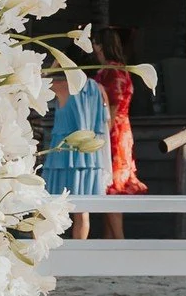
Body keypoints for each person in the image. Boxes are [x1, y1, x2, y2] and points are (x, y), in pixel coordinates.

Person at [43, 71, 111, 240]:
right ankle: (78, 254)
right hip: (88, 154)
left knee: (51, 206)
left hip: (63, 154)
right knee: (83, 211)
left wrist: (51, 67)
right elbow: (106, 123)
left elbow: (38, 82)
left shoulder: (63, 86)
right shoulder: (99, 88)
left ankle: (49, 251)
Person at [95, 28, 148, 241]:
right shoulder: (123, 70)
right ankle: (110, 240)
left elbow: (113, 104)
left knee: (112, 185)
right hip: (123, 128)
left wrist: (102, 136)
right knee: (112, 185)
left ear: (100, 45)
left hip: (113, 130)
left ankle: (119, 241)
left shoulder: (111, 71)